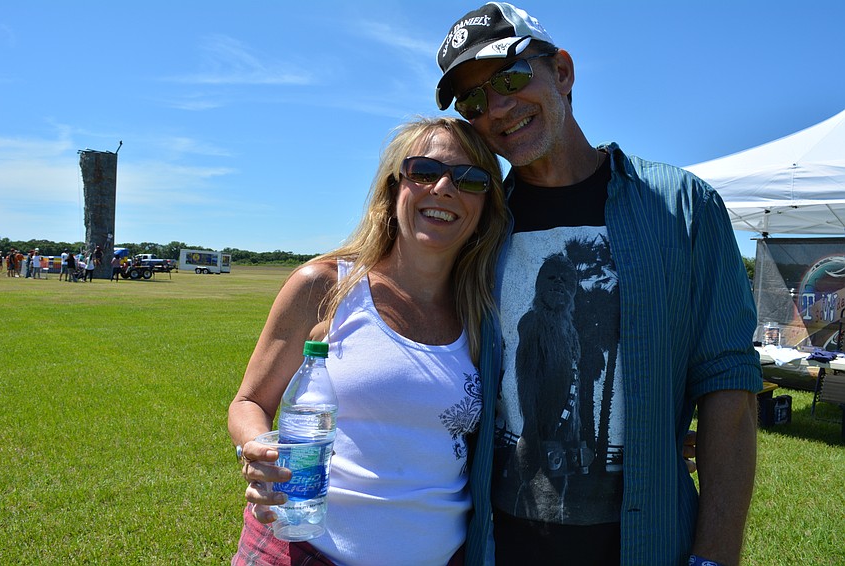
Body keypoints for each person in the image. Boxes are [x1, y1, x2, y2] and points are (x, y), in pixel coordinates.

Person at [434, 4, 763, 565]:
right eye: (473, 101)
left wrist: (714, 556)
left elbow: (728, 382)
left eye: (510, 78)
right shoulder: (478, 225)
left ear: (562, 72)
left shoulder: (682, 207)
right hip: (500, 546)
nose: (497, 108)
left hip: (648, 546)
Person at [228, 116, 508, 566]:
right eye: (423, 171)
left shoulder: (484, 313)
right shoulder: (324, 285)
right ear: (394, 187)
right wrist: (258, 451)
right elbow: (249, 402)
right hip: (302, 552)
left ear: (485, 207)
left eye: (470, 179)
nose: (443, 188)